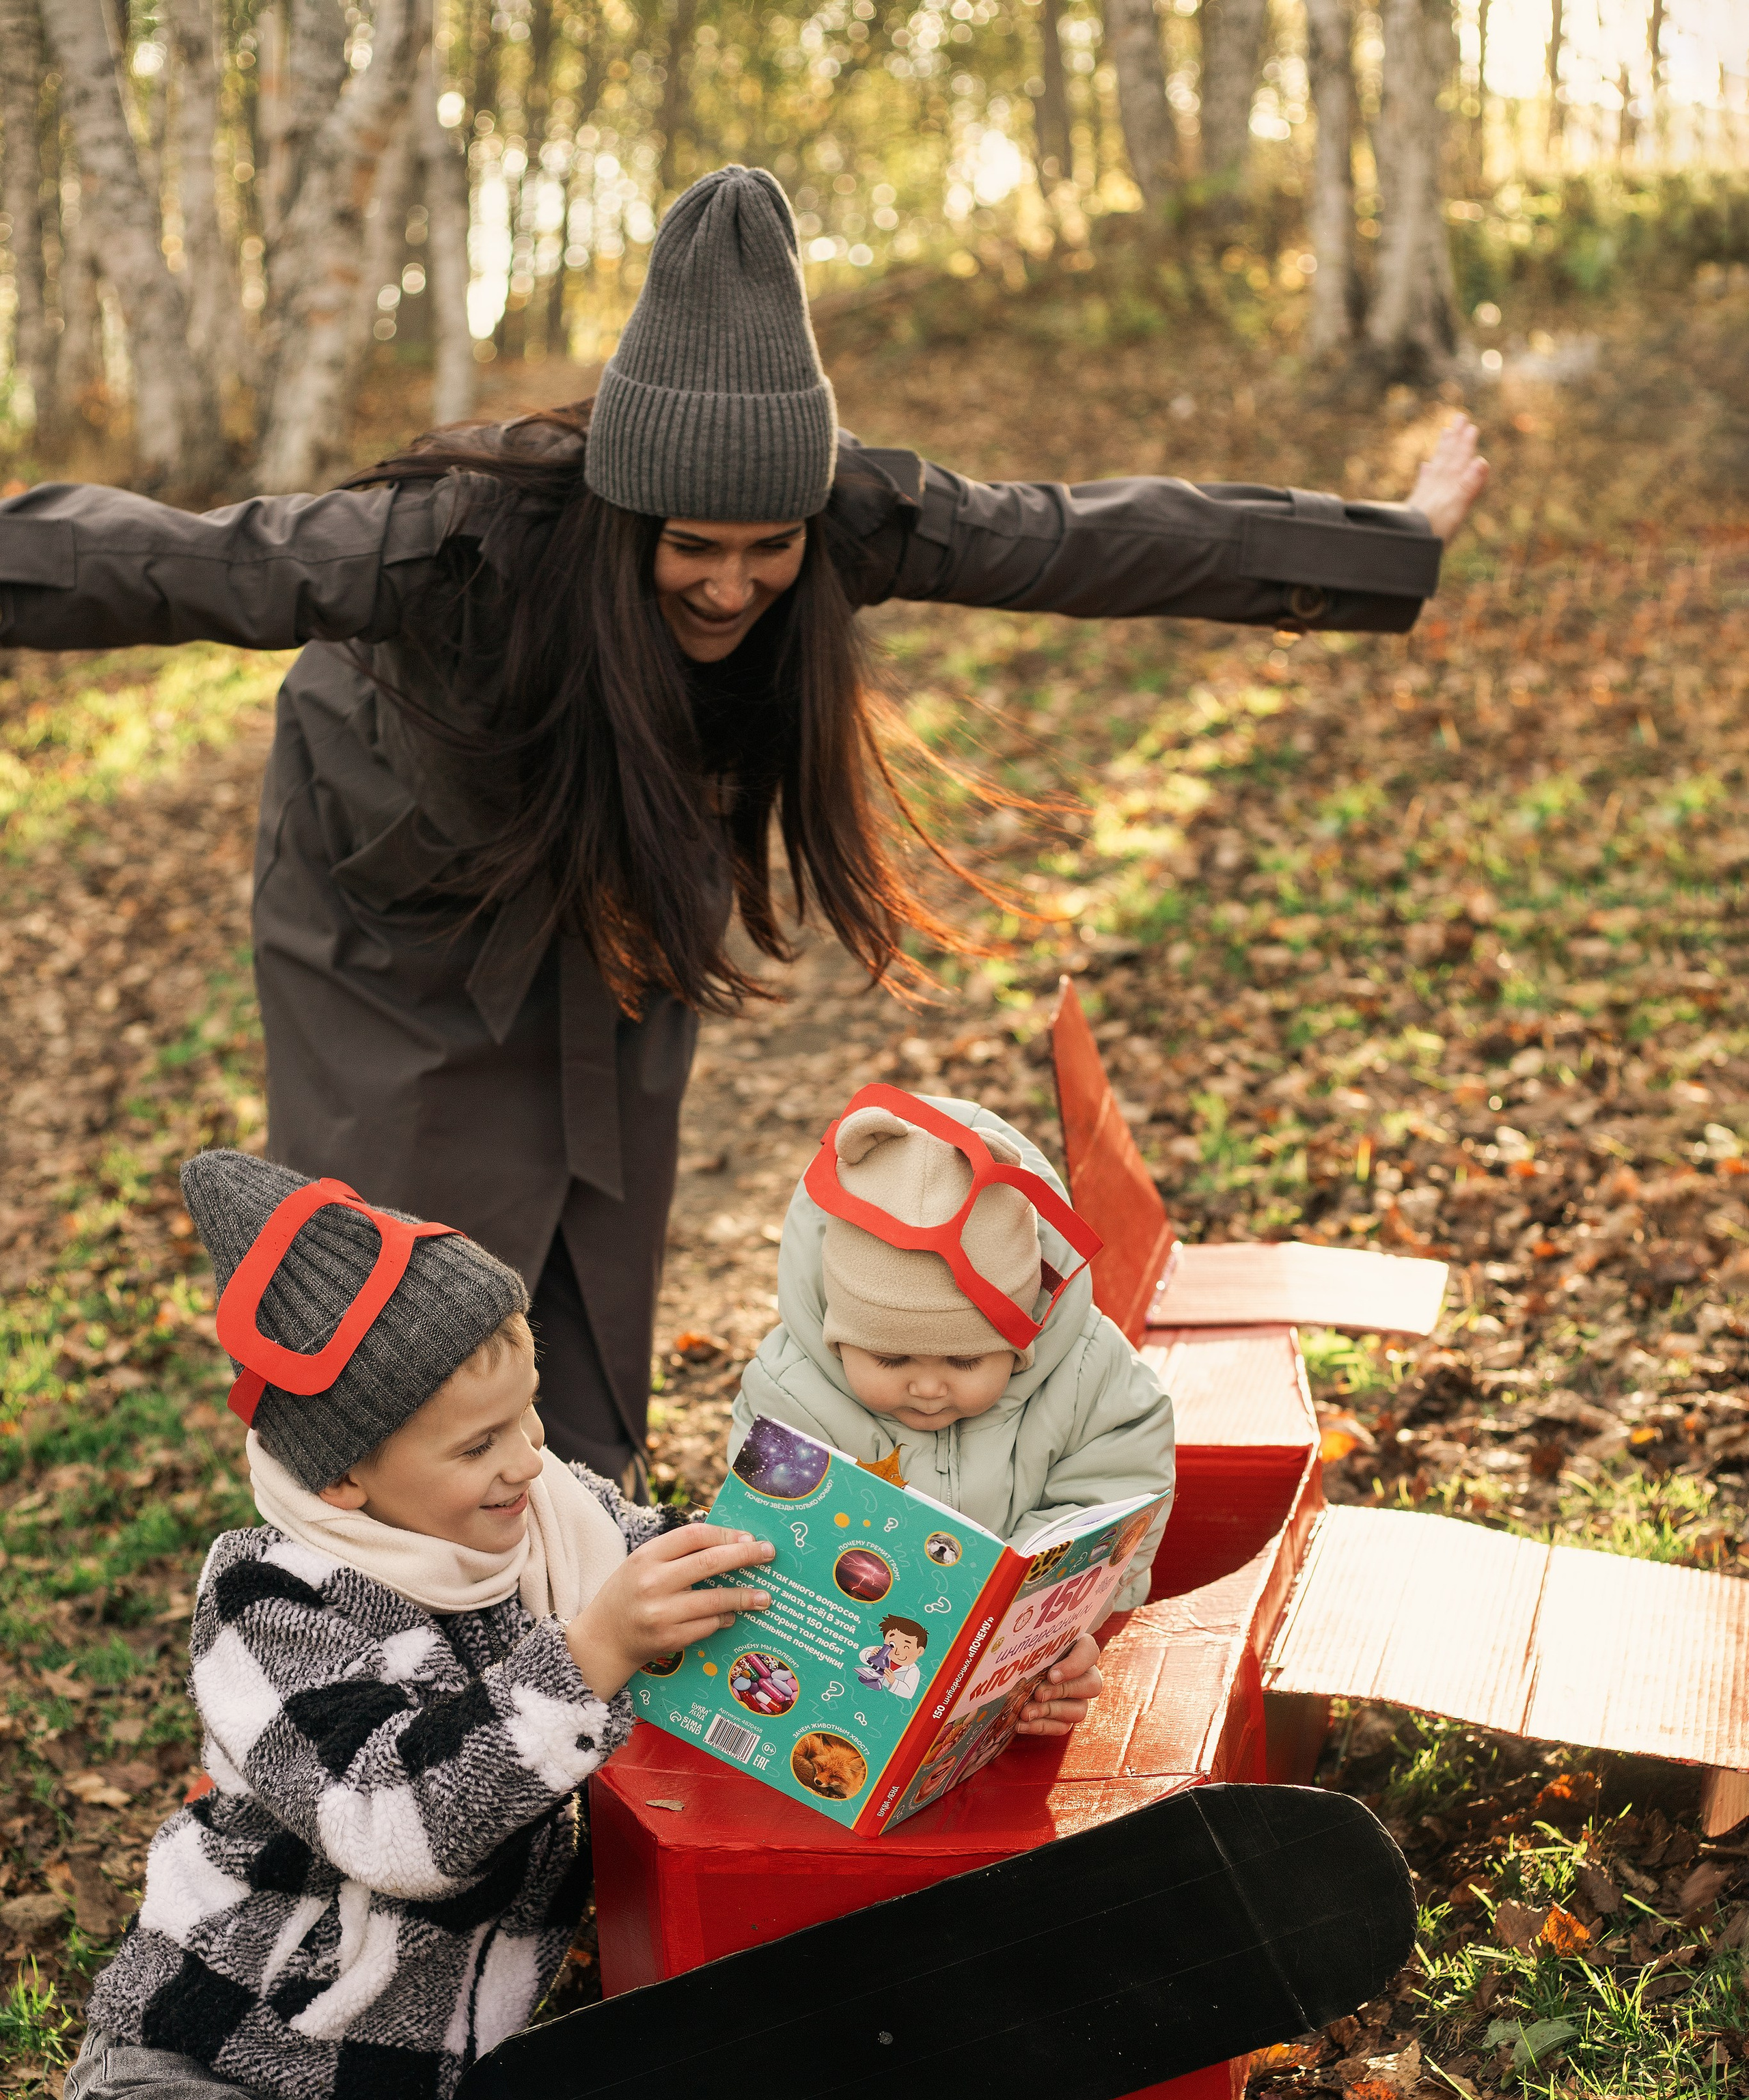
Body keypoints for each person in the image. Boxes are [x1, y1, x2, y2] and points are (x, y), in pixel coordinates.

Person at [0, 166, 1487, 1494]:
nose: (728, 585)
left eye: (765, 549)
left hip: (615, 846)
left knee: (600, 1180)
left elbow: (1083, 534)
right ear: (621, 510)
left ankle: (574, 1493)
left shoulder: (850, 516)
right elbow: (185, 565)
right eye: (688, 549)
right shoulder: (461, 538)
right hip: (389, 885)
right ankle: (360, 1566)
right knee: (413, 1242)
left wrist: (1382, 543)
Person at [0, 1159, 775, 2100]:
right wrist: (589, 1658)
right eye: (476, 1443)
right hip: (206, 2070)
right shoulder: (271, 1602)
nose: (525, 1465)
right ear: (346, 1472)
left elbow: (730, 1593)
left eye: (529, 1415)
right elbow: (397, 1828)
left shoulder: (563, 1528)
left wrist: (924, 1635)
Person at [731, 1083, 1175, 1736]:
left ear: (1022, 1336)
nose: (929, 1387)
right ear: (835, 1332)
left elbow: (1114, 1499)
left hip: (1021, 1695)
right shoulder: (790, 1392)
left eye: (966, 1363)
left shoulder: (1086, 1374)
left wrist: (1060, 1641)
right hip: (844, 1684)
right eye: (891, 1361)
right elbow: (763, 1545)